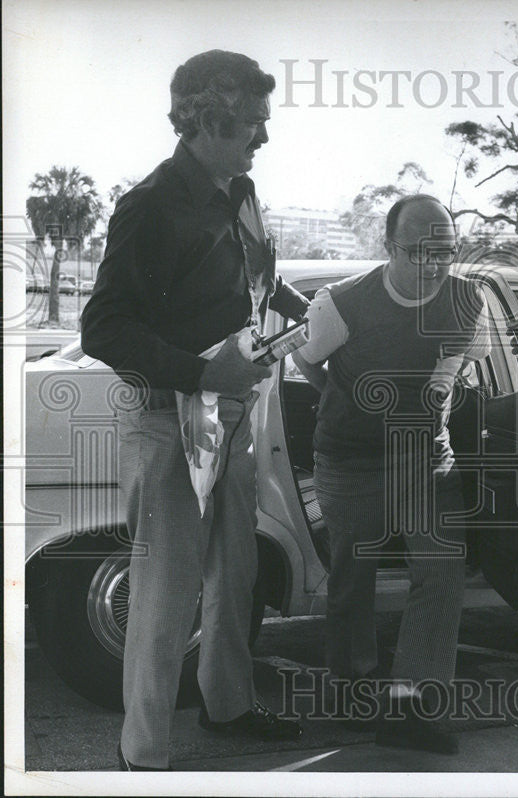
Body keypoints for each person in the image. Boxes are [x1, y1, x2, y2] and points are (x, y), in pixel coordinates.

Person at [81, 49, 307, 771]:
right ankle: (142, 755)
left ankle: (228, 707)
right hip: (170, 418)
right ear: (208, 117)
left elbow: (261, 281)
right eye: (250, 126)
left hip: (231, 416)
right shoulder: (148, 205)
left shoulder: (239, 192)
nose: (262, 139)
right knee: (164, 592)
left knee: (234, 575)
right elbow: (104, 327)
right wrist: (198, 371)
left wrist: (312, 315)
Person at [291, 194, 488, 755]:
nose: (433, 264)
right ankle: (351, 693)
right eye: (418, 251)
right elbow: (304, 358)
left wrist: (439, 401)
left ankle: (410, 707)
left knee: (440, 571)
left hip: (425, 455)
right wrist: (340, 398)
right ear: (388, 246)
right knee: (352, 579)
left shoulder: (467, 298)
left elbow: (457, 364)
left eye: (445, 252)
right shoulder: (343, 302)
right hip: (349, 457)